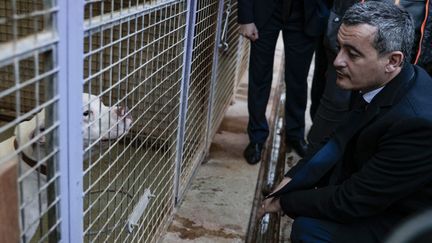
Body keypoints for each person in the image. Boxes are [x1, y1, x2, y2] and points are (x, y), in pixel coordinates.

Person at [257, 2, 432, 242]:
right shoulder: (393, 78)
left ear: (392, 60)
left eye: (353, 53)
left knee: (308, 229)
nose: (337, 61)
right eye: (339, 48)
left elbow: (352, 200)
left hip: (413, 225)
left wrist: (286, 201)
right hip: (389, 199)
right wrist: (293, 181)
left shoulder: (417, 124)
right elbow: (338, 139)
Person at [307, 0, 432, 152]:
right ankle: (314, 153)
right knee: (335, 104)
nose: (338, 62)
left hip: (403, 61)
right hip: (352, 39)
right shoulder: (344, 52)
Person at [238, 0, 331, 163]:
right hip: (265, 11)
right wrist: (246, 18)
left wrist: (323, 12)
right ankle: (256, 137)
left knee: (298, 79)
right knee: (259, 77)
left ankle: (295, 134)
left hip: (305, 15)